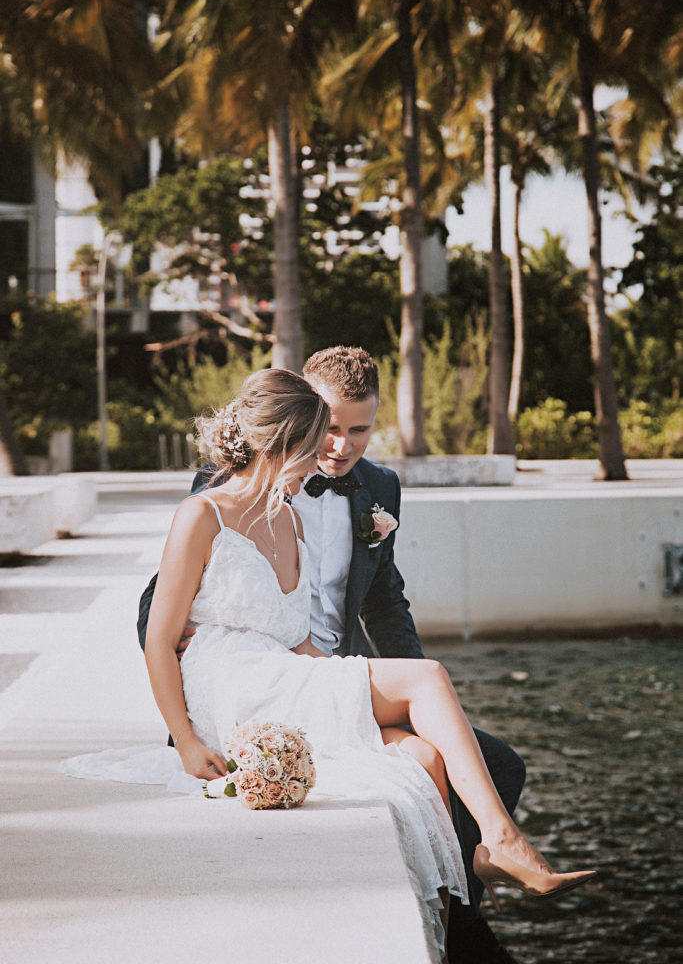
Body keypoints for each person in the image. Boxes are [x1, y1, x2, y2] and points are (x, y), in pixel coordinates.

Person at [132, 366, 594, 959]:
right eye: (314, 444)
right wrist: (185, 737)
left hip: (290, 668)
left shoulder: (303, 512)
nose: (331, 452)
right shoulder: (206, 509)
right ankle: (502, 843)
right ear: (281, 443)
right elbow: (157, 628)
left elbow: (364, 608)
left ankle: (447, 925)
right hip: (231, 685)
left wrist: (355, 681)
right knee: (428, 678)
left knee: (428, 756)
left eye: (355, 431)